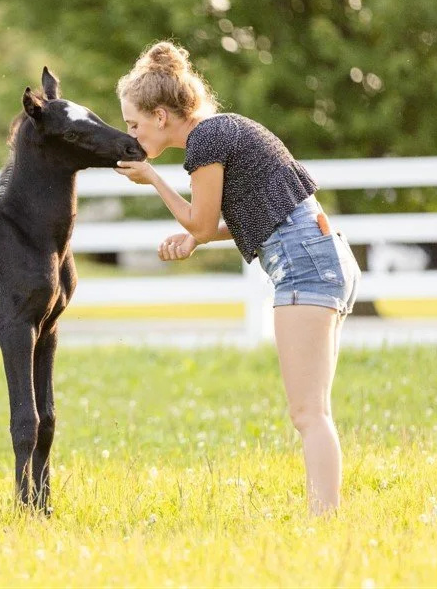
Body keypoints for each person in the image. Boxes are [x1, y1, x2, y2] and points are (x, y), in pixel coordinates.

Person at [114, 41, 361, 515]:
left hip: (306, 264)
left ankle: (325, 520)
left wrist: (155, 181)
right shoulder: (225, 131)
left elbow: (202, 222)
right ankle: (325, 515)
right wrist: (195, 240)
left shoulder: (207, 140)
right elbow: (263, 216)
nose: (131, 133)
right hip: (324, 254)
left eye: (133, 123)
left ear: (161, 116)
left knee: (308, 413)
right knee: (314, 411)